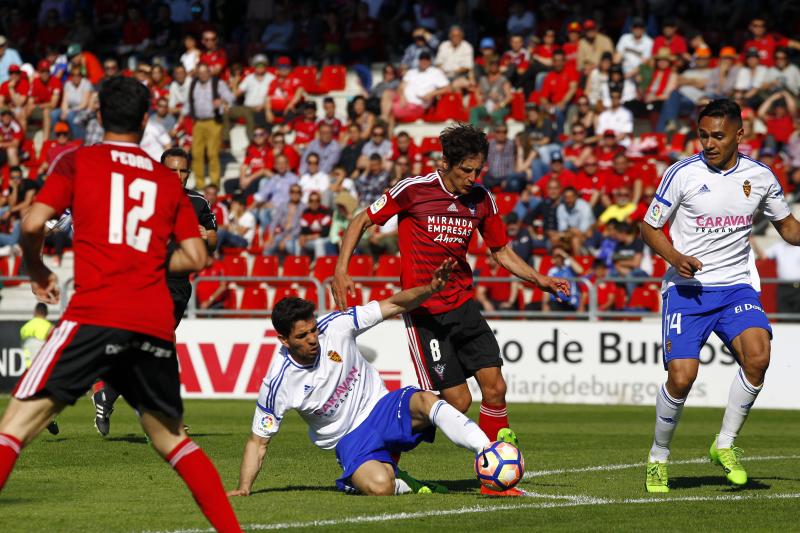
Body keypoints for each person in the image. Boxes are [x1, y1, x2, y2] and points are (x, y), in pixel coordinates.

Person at [0, 76, 241, 531]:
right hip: (152, 320)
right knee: (172, 441)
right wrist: (147, 261)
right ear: (146, 119)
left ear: (97, 116)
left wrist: (37, 272)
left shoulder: (78, 161)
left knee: (14, 426)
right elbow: (195, 255)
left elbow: (32, 223)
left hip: (97, 311)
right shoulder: (166, 181)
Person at [332, 124, 570, 497]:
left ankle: (494, 481)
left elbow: (501, 251)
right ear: (445, 163)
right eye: (467, 171)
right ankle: (380, 450)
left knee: (496, 388)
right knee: (457, 402)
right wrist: (341, 269)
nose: (473, 178)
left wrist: (540, 279)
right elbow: (362, 219)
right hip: (425, 313)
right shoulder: (413, 190)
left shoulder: (481, 199)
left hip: (464, 306)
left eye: (479, 171)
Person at [228, 261, 505, 497]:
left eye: (313, 330)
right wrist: (244, 487)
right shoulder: (278, 383)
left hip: (382, 407)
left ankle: (487, 450)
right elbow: (258, 442)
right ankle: (401, 481)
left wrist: (430, 289)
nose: (313, 339)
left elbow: (394, 304)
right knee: (380, 486)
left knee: (425, 400)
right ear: (284, 340)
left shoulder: (336, 326)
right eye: (302, 336)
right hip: (348, 438)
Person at [641, 98, 800, 493]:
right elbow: (649, 227)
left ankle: (724, 444)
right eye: (703, 135)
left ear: (739, 135)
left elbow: (791, 230)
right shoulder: (682, 173)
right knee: (682, 378)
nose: (708, 143)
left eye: (718, 135)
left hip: (735, 288)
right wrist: (675, 257)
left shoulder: (761, 177)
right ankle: (658, 458)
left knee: (759, 357)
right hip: (687, 291)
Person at [91, 147, 218, 436]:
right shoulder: (142, 198)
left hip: (178, 285)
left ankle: (109, 391)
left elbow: (213, 238)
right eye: (171, 170)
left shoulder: (198, 203)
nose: (177, 176)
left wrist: (205, 236)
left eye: (182, 171)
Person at [19, 303, 57, 435]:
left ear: (35, 312)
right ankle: (47, 418)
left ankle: (45, 418)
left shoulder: (24, 328)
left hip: (29, 368)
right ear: (45, 313)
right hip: (43, 367)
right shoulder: (48, 327)